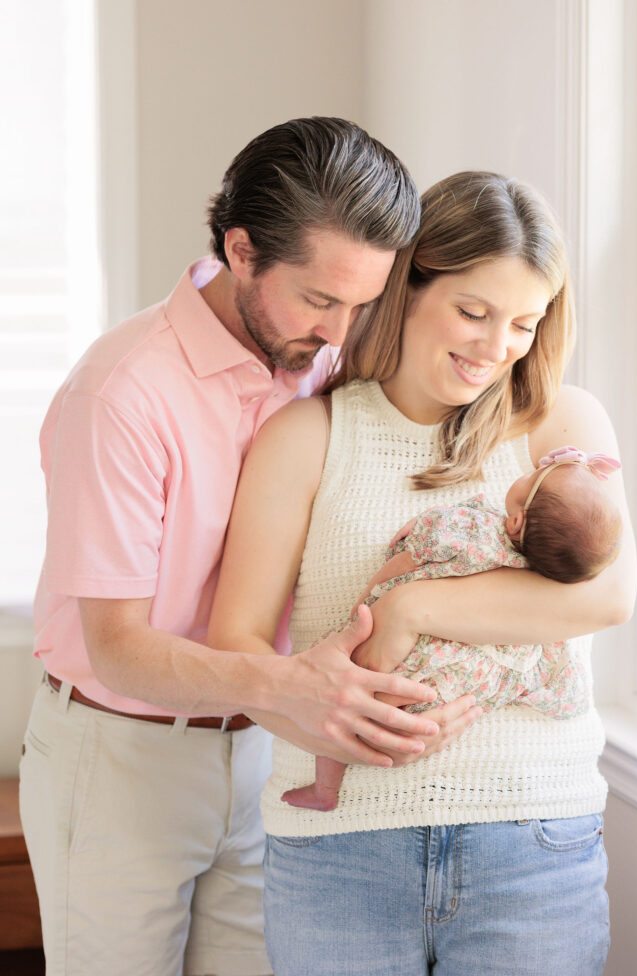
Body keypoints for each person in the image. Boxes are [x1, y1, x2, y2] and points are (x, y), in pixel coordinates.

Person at [19, 118, 482, 976]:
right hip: (122, 757)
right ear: (240, 249)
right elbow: (118, 650)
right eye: (319, 298)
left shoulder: (324, 364)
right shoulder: (120, 392)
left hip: (266, 754)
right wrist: (297, 689)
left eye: (364, 301)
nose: (343, 331)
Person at [207, 170, 637, 976]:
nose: (494, 346)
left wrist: (411, 608)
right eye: (472, 312)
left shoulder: (564, 426)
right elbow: (235, 636)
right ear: (406, 285)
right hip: (337, 853)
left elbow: (607, 595)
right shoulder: (305, 435)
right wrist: (324, 715)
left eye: (522, 322)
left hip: (533, 841)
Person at [280, 445, 623, 811]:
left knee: (346, 690)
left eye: (531, 477)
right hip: (448, 686)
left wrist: (373, 594)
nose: (530, 469)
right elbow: (567, 691)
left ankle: (325, 789)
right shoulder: (539, 600)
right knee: (369, 713)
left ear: (516, 522)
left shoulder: (475, 530)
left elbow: (420, 548)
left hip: (399, 654)